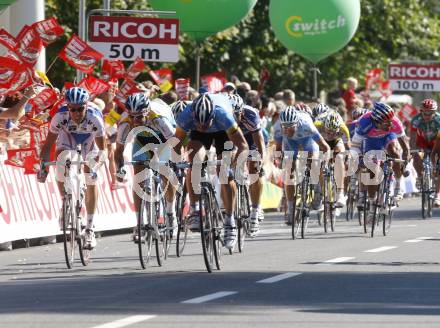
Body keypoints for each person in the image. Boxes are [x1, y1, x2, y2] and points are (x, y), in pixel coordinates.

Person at [173, 93, 249, 250]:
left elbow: (243, 145)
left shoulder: (224, 115)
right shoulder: (186, 115)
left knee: (224, 173)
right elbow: (175, 144)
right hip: (199, 137)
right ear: (193, 116)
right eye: (198, 123)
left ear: (212, 115)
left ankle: (229, 221)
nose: (202, 126)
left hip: (223, 133)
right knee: (194, 161)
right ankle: (195, 209)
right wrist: (174, 162)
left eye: (205, 122)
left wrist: (236, 163)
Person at [37, 87, 106, 249]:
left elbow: (103, 150)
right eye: (72, 109)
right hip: (68, 136)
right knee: (61, 159)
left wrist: (97, 164)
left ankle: (90, 227)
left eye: (80, 109)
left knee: (90, 175)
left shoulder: (95, 118)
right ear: (68, 107)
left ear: (86, 106)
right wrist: (43, 168)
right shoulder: (60, 117)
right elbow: (47, 147)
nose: (76, 113)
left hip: (90, 138)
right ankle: (65, 204)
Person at [114, 93, 178, 236]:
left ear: (147, 112)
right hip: (141, 139)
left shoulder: (159, 119)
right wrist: (119, 169)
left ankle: (170, 212)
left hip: (163, 138)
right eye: (132, 117)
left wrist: (173, 161)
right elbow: (118, 151)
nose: (135, 121)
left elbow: (174, 143)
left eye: (139, 117)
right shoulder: (125, 122)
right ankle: (139, 223)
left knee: (166, 171)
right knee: (138, 178)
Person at [351, 102, 410, 222]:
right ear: (376, 121)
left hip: (388, 138)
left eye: (391, 121)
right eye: (386, 123)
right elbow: (355, 146)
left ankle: (398, 186)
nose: (390, 124)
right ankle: (373, 204)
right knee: (372, 171)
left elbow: (405, 146)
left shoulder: (394, 122)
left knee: (395, 152)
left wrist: (405, 159)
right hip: (371, 141)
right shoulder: (364, 123)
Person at [274, 106, 330, 225]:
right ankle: (290, 208)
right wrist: (279, 161)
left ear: (297, 123)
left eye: (291, 128)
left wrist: (324, 161)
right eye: (285, 127)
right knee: (289, 173)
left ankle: (317, 189)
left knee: (314, 160)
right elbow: (278, 149)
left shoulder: (306, 125)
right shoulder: (278, 127)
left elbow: (325, 147)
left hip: (307, 140)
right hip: (290, 143)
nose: (287, 131)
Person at [229, 94, 266, 234]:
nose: (233, 118)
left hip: (251, 138)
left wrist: (260, 161)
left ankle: (255, 211)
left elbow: (260, 143)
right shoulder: (223, 118)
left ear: (241, 112)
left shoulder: (250, 114)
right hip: (232, 138)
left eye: (236, 115)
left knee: (254, 168)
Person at [410, 99, 440, 206]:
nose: (427, 115)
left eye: (430, 112)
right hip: (422, 142)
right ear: (421, 111)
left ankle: (437, 194)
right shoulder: (416, 120)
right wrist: (413, 150)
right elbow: (413, 137)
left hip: (436, 142)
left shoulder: (439, 120)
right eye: (424, 112)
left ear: (435, 112)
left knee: (437, 166)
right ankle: (420, 176)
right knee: (416, 156)